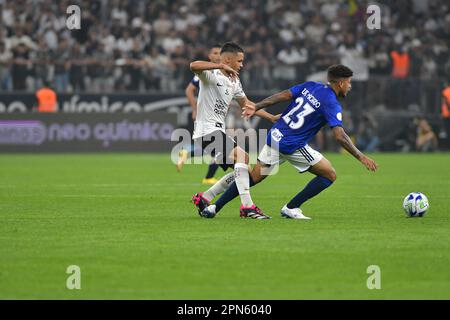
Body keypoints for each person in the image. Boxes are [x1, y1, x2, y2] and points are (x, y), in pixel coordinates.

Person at [200, 65, 378, 219]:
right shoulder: (332, 103)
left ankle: (214, 207)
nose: (350, 86)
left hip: (275, 136)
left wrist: (257, 106)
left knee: (254, 176)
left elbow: (283, 95)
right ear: (340, 83)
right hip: (292, 145)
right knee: (329, 174)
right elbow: (340, 136)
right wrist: (361, 156)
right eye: (348, 82)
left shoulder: (311, 86)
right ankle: (291, 207)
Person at [190, 42, 279, 219]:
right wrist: (219, 65)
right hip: (206, 131)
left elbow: (246, 104)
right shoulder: (210, 74)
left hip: (215, 131)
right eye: (239, 61)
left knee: (243, 169)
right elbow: (193, 65)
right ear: (228, 60)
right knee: (243, 157)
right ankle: (247, 206)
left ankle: (205, 197)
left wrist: (270, 117)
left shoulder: (234, 80)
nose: (242, 64)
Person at [176, 44, 222, 185]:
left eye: (220, 53)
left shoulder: (221, 73)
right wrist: (195, 109)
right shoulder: (206, 72)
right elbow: (189, 90)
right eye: (215, 52)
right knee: (219, 151)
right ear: (209, 56)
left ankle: (188, 154)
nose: (218, 55)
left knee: (213, 149)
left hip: (216, 115)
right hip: (208, 117)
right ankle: (208, 177)